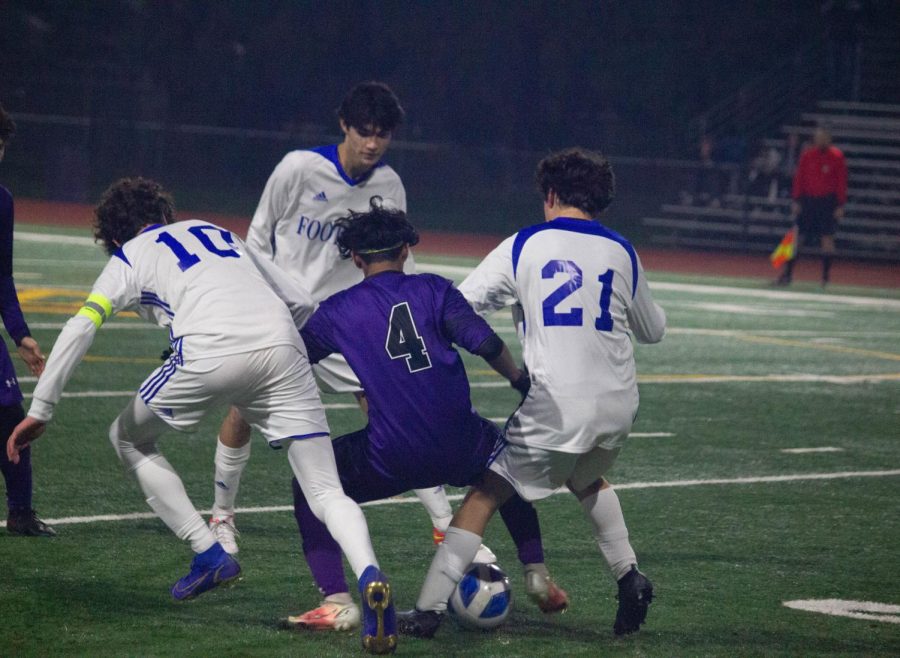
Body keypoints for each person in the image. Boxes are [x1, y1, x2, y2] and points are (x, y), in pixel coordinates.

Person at [5, 178, 397, 654]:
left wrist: (42, 408)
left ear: (111, 236)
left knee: (128, 439)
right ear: (164, 212)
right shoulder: (215, 231)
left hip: (209, 352)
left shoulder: (128, 257)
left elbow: (82, 323)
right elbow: (300, 301)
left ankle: (208, 552)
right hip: (281, 345)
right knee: (326, 490)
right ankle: (371, 575)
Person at [398, 148, 667, 639]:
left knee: (483, 495)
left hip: (558, 405)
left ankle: (428, 610)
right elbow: (654, 330)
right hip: (620, 406)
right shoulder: (622, 249)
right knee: (585, 478)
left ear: (550, 194)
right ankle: (631, 577)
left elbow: (462, 305)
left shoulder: (525, 244)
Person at [208, 81, 478, 562]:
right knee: (242, 411)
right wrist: (256, 301)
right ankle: (222, 516)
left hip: (348, 324)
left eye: (383, 134)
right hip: (285, 322)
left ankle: (444, 525)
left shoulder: (389, 184)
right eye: (364, 132)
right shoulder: (299, 168)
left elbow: (400, 257)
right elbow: (257, 237)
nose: (373, 143)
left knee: (393, 411)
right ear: (344, 126)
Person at [281, 198, 566, 631]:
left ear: (355, 258)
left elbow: (290, 359)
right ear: (406, 251)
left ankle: (337, 598)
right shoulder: (434, 289)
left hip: (389, 453)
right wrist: (517, 379)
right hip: (461, 443)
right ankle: (536, 572)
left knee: (311, 485)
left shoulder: (338, 310)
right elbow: (485, 342)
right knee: (508, 469)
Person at [0, 103, 55, 537]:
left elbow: (2, 275)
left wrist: (21, 334)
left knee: (10, 416)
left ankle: (20, 513)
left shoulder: (2, 202)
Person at [778, 124, 848, 286]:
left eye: (823, 137)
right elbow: (799, 179)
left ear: (828, 139)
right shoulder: (807, 155)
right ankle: (787, 274)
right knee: (797, 238)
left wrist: (840, 204)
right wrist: (796, 200)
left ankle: (825, 277)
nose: (820, 140)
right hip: (808, 201)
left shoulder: (837, 156)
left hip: (827, 203)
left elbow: (841, 182)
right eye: (818, 137)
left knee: (827, 239)